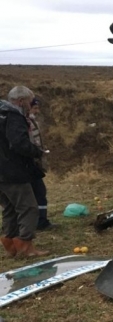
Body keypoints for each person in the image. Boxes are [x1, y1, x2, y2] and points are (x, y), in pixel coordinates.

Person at [0, 86, 49, 257]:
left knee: (10, 208)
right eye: (29, 102)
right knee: (28, 207)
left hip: (2, 173)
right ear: (21, 101)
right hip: (13, 171)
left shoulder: (2, 114)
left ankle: (10, 244)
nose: (30, 105)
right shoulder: (14, 116)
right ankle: (25, 245)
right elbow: (19, 143)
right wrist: (37, 152)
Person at [27, 98, 56, 231]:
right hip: (29, 164)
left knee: (37, 192)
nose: (37, 111)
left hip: (34, 162)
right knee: (38, 192)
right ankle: (40, 222)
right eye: (35, 108)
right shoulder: (24, 122)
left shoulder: (31, 121)